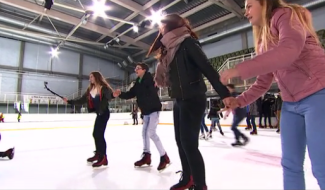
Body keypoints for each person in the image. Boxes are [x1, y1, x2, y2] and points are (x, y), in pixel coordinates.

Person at [220, 0, 325, 189]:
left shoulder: (286, 15)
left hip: (318, 93)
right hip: (291, 104)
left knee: (321, 166)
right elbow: (262, 83)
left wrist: (239, 69)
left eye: (249, 6)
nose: (246, 12)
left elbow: (288, 51)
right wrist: (238, 101)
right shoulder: (262, 42)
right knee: (290, 165)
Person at [147, 13, 233, 190]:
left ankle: (200, 185)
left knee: (189, 144)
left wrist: (224, 94)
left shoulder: (187, 43)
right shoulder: (169, 49)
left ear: (169, 26)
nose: (159, 30)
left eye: (161, 27)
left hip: (193, 98)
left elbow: (207, 68)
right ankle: (188, 178)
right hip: (179, 99)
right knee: (180, 141)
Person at [113, 63, 170, 172]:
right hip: (146, 111)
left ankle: (164, 157)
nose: (136, 70)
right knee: (144, 132)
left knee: (151, 133)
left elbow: (154, 89)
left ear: (144, 70)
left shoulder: (150, 79)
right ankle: (146, 155)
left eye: (138, 68)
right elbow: (130, 94)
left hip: (153, 109)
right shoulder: (138, 82)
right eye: (135, 68)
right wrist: (120, 94)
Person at [64, 71, 115, 168]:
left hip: (104, 113)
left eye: (91, 77)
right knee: (95, 134)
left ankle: (103, 157)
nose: (89, 79)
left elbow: (110, 96)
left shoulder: (103, 88)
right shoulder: (91, 89)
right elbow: (81, 100)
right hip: (99, 114)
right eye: (90, 77)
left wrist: (114, 95)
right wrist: (70, 101)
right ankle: (98, 154)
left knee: (98, 134)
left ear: (96, 77)